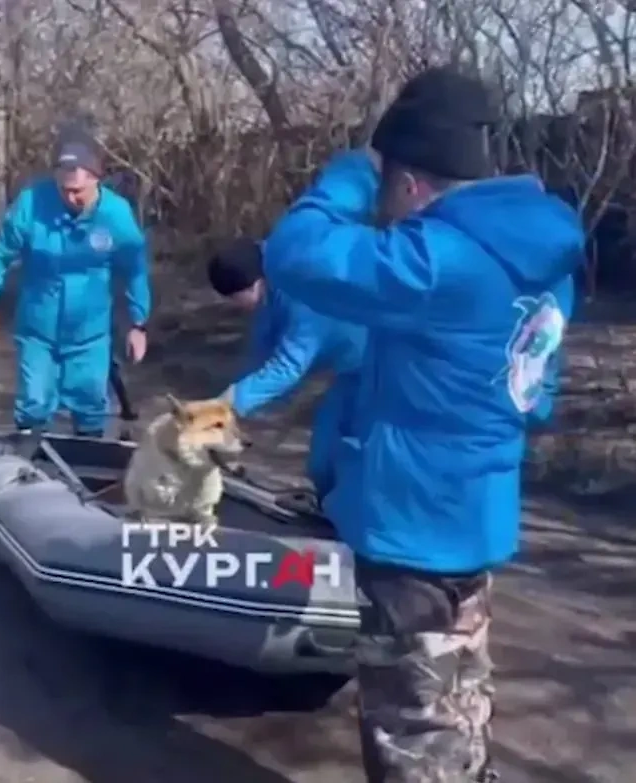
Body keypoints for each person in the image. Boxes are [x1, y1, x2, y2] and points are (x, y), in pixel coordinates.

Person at [262, 65, 583, 782]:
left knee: (406, 724)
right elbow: (539, 394)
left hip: (407, 532)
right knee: (459, 698)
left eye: (385, 186)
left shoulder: (435, 259)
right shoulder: (543, 260)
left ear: (408, 179)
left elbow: (291, 256)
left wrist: (346, 178)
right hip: (477, 519)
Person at [0, 131, 151, 437]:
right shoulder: (33, 203)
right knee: (35, 403)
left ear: (96, 179)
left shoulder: (116, 214)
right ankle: (29, 461)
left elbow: (135, 269)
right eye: (64, 190)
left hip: (90, 335)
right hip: (38, 330)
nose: (70, 198)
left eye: (78, 191)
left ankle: (87, 464)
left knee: (90, 404)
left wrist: (138, 324)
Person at [208, 236, 367, 500]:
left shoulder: (303, 292)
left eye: (236, 298)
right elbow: (260, 352)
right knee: (322, 462)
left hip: (383, 366)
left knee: (359, 458)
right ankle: (330, 513)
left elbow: (289, 364)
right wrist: (234, 405)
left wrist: (232, 402)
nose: (234, 306)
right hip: (349, 373)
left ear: (256, 283)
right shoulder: (271, 287)